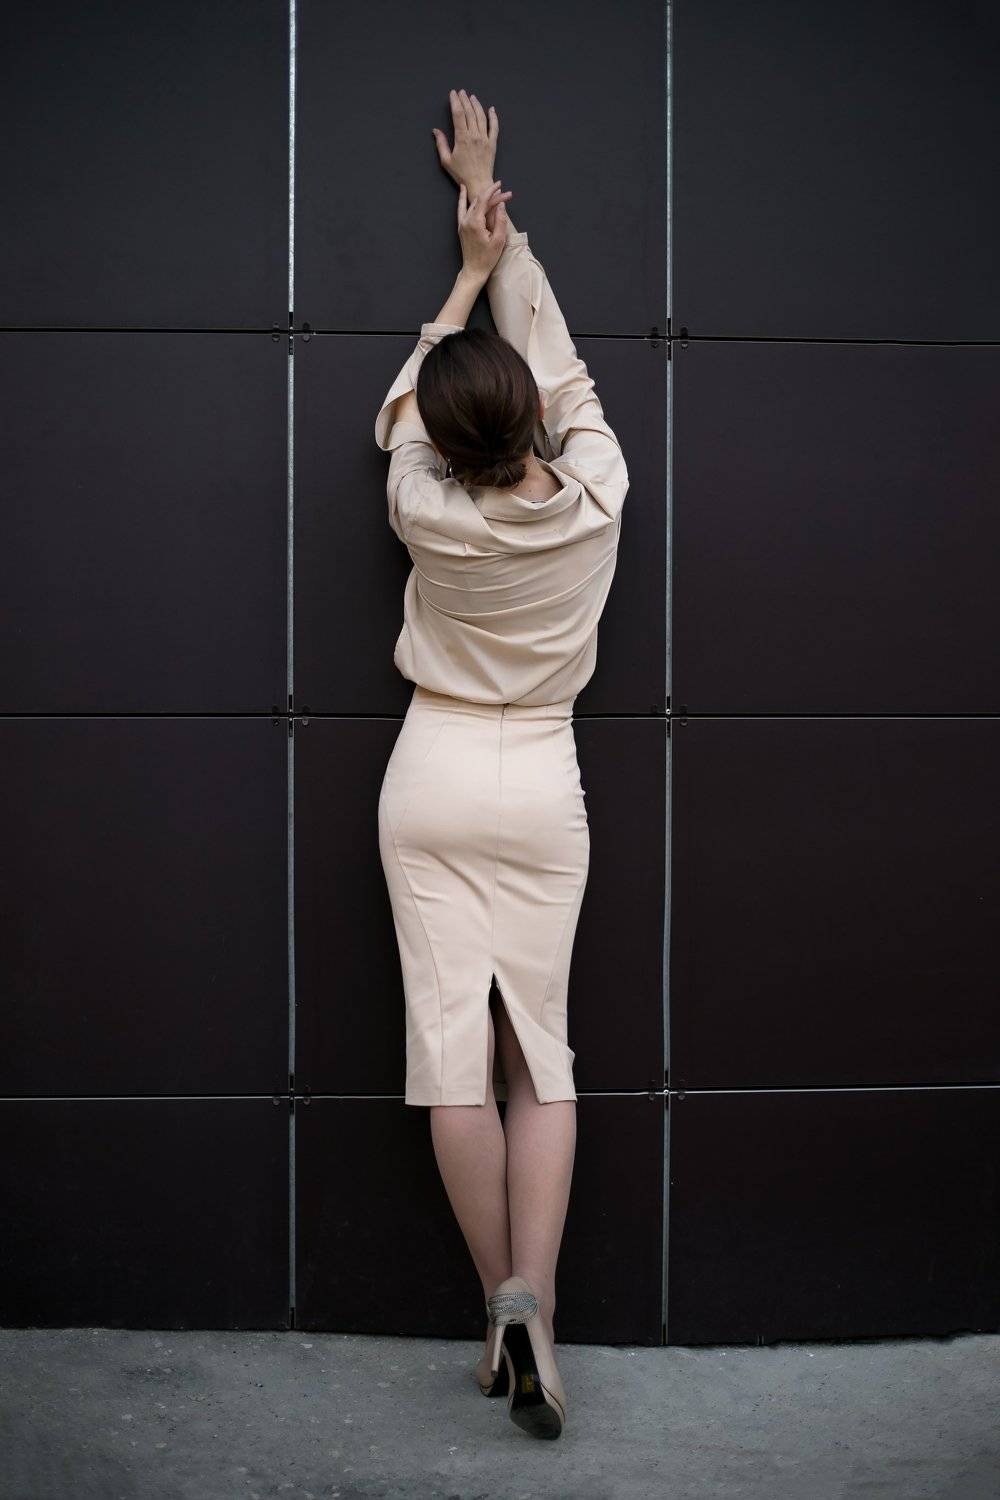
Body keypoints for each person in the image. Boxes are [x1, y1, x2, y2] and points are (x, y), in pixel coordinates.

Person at [374, 89, 629, 1440]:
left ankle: (500, 1304)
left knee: (451, 1060)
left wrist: (462, 279)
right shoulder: (596, 503)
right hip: (541, 778)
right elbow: (569, 375)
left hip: (430, 770)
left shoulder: (424, 509)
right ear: (528, 418)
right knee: (543, 1052)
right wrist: (505, 238)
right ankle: (542, 1308)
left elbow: (405, 415)